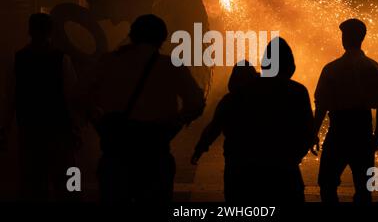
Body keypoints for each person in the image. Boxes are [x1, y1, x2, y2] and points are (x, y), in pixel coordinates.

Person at [88, 14, 205, 203]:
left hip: (116, 153)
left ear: (132, 35)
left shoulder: (108, 61)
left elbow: (79, 96)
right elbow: (196, 102)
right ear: (162, 38)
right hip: (154, 154)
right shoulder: (170, 65)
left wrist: (100, 124)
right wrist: (175, 124)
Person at [197, 37, 313, 203]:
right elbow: (307, 131)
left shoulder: (240, 91)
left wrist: (201, 146)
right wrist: (293, 157)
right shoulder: (297, 92)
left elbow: (217, 123)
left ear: (265, 63)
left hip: (241, 171)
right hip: (283, 172)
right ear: (290, 66)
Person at [0, 13, 79, 201]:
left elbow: (9, 98)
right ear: (51, 31)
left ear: (30, 31)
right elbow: (71, 97)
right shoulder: (62, 59)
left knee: (33, 182)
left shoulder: (17, 59)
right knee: (66, 181)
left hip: (29, 128)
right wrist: (76, 127)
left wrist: (4, 128)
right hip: (58, 128)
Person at [312, 18, 378, 203]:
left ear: (345, 38)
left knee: (327, 183)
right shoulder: (374, 67)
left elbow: (321, 105)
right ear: (362, 37)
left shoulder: (331, 69)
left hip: (338, 130)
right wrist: (377, 134)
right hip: (363, 131)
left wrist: (313, 133)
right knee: (366, 187)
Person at [191, 61, 259, 201]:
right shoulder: (263, 100)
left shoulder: (229, 101)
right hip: (260, 158)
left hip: (235, 157)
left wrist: (200, 148)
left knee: (234, 196)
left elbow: (214, 128)